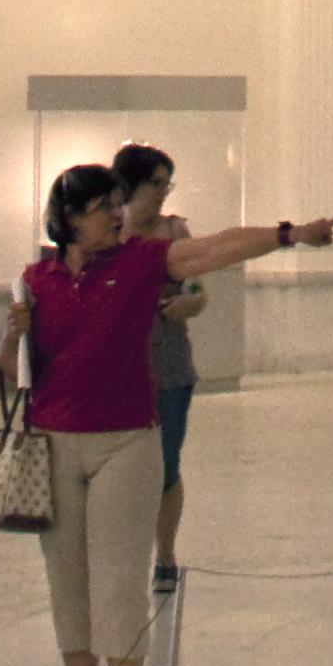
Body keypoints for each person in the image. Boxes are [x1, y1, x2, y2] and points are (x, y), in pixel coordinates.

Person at [0, 163, 333, 666]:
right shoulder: (36, 280)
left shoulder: (141, 262)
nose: (117, 214)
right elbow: (13, 370)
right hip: (53, 446)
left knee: (117, 579)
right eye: (102, 207)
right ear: (68, 220)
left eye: (118, 202)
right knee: (67, 581)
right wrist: (11, 336)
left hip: (125, 442)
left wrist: (287, 234)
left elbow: (218, 249)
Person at [112, 143, 208, 595]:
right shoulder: (107, 232)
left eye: (168, 183)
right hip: (116, 368)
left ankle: (164, 553)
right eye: (156, 183)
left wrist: (188, 302)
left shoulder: (175, 232)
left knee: (166, 464)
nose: (164, 192)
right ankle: (124, 553)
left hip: (168, 367)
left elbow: (198, 288)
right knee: (121, 467)